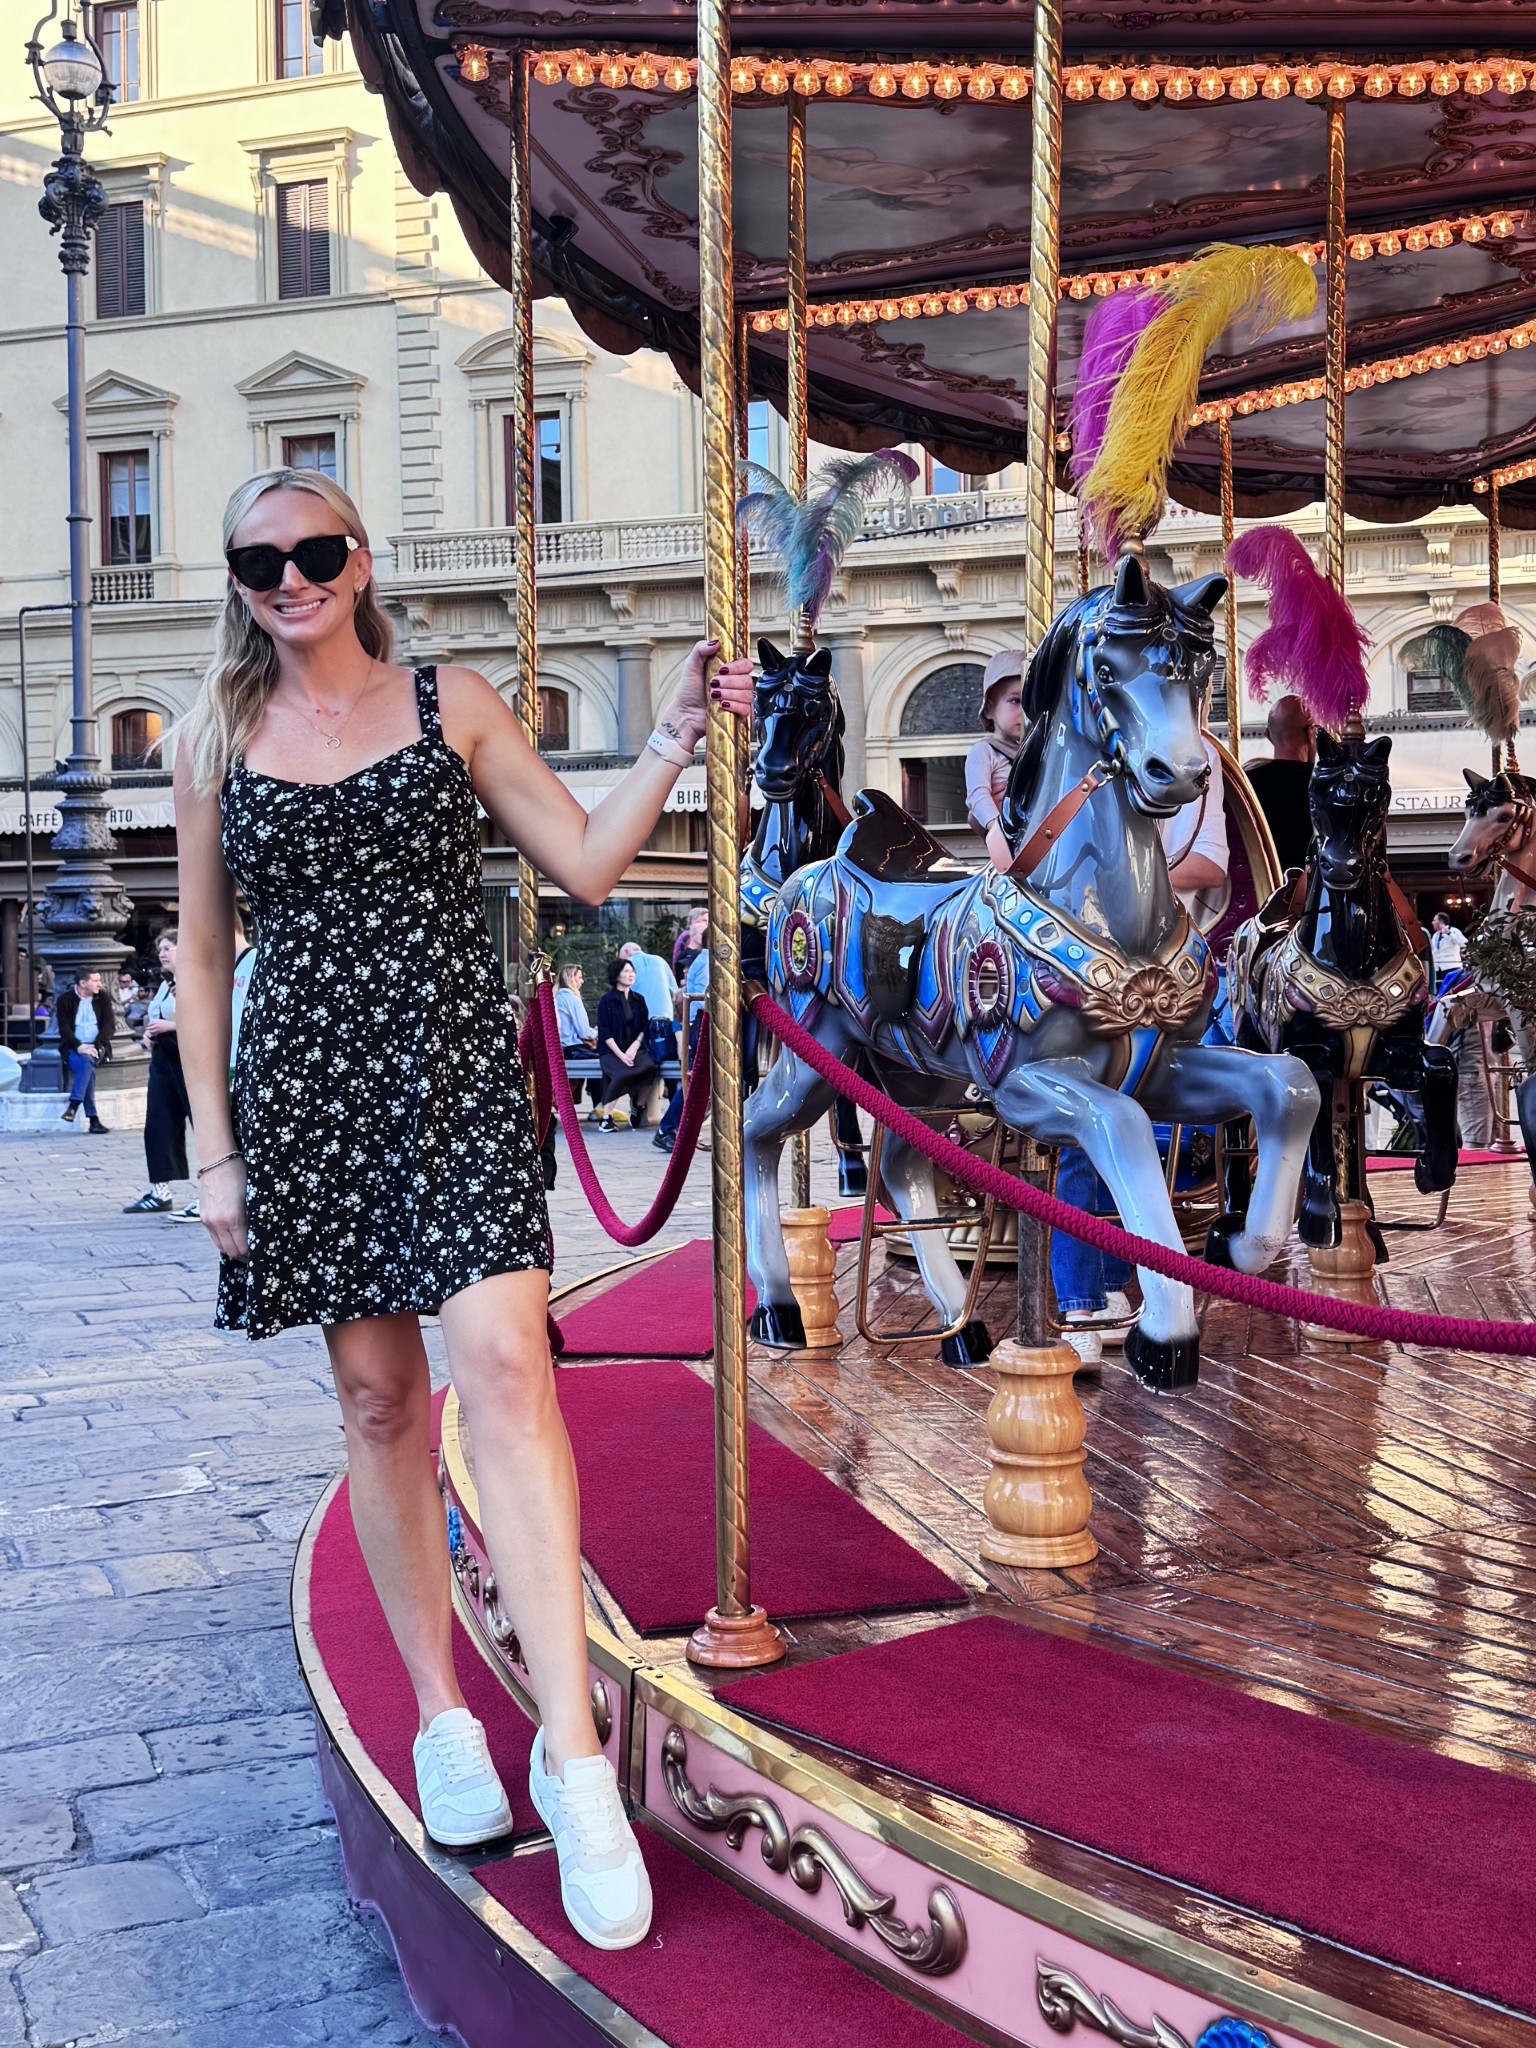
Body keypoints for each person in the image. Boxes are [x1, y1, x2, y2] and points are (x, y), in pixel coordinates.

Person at [170, 465, 752, 1951]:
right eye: (259, 563)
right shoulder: (212, 737)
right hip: (304, 1090)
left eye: (312, 552)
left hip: (445, 1063)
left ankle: (573, 1755)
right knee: (377, 1406)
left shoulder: (455, 700)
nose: (289, 581)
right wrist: (218, 1158)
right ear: (236, 581)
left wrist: (678, 736)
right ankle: (442, 1715)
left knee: (504, 1365)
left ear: (359, 559)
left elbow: (587, 862)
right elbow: (201, 959)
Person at [1053, 744, 1230, 1366]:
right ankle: (1080, 1296)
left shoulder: (1200, 761)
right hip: (1090, 958)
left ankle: (1099, 1286)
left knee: (1137, 1126)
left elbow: (1210, 862)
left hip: (1168, 964)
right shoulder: (1084, 752)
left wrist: (1136, 878)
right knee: (1094, 1122)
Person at [123, 930, 197, 1218]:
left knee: (203, 1124)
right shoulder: (165, 985)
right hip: (162, 1056)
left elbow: (210, 1019)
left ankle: (213, 1192)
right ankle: (160, 1191)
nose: (163, 953)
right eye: (161, 948)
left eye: (169, 947)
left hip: (187, 1054)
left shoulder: (194, 980)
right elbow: (155, 1017)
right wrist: (149, 1036)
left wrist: (171, 1028)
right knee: (158, 1122)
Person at [965, 650, 1026, 873]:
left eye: (1030, 701)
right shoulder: (984, 751)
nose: (1025, 711)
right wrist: (995, 825)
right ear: (990, 708)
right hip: (1006, 838)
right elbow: (977, 796)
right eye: (1015, 701)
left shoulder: (1041, 752)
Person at [1244, 695, 1315, 874]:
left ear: (1268, 735)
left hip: (1262, 888)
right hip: (1310, 892)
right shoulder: (1321, 785)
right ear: (1311, 733)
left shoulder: (1246, 784)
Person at [654, 939, 709, 1154]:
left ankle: (682, 1130)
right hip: (703, 1025)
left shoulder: (704, 960)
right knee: (696, 1082)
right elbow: (708, 999)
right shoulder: (706, 963)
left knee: (701, 1083)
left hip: (702, 1024)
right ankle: (667, 1129)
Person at [595, 958, 657, 1132]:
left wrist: (635, 1046)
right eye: (626, 971)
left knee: (650, 1067)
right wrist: (621, 1054)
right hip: (611, 1050)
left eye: (632, 971)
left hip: (635, 1047)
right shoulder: (606, 1001)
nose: (631, 975)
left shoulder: (639, 999)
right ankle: (607, 1117)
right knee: (620, 1073)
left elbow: (645, 1025)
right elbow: (605, 1032)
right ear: (616, 975)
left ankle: (639, 1106)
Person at [55, 969, 113, 1132]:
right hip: (74, 1047)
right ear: (82, 984)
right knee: (87, 1067)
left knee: (87, 1062)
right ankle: (93, 1120)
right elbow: (64, 1028)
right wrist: (79, 1046)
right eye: (95, 981)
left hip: (97, 1046)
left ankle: (73, 1106)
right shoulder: (64, 1000)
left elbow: (109, 1026)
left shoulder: (103, 997)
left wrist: (95, 1045)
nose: (99, 984)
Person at [1431, 912, 1467, 994]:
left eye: (1434, 920)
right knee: (1439, 991)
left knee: (1451, 991)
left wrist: (1449, 933)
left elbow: (1464, 943)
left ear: (1440, 922)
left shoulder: (1454, 931)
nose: (1432, 922)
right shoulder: (1435, 935)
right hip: (1438, 968)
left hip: (1451, 966)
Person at [672, 905, 707, 979]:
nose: (707, 923)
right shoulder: (688, 937)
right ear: (694, 921)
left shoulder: (686, 935)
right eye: (704, 920)